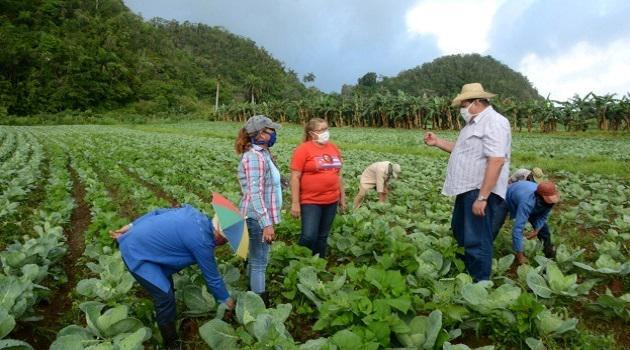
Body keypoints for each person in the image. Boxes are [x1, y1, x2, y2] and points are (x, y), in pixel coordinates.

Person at [110, 205, 235, 349]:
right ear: (220, 236)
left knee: (166, 288)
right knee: (164, 298)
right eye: (225, 241)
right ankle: (171, 344)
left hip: (142, 243)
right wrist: (227, 300)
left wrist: (132, 225)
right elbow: (212, 278)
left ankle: (168, 324)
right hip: (138, 254)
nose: (224, 244)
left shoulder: (193, 213)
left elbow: (157, 212)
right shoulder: (202, 242)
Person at [423, 83, 511, 282]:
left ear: (477, 102)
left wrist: (482, 197)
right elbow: (462, 149)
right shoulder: (473, 124)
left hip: (479, 190)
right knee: (461, 231)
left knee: (477, 239)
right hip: (466, 188)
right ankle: (465, 273)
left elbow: (496, 160)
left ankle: (479, 284)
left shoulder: (494, 122)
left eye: (464, 104)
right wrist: (438, 143)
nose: (462, 109)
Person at [236, 115, 282, 299]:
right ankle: (259, 305)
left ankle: (250, 294)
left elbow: (268, 183)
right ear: (261, 134)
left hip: (259, 215)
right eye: (271, 130)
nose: (274, 134)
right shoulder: (254, 157)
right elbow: (255, 193)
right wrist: (266, 224)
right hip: (257, 217)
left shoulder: (263, 154)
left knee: (256, 257)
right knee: (260, 262)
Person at [290, 118, 346, 258]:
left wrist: (342, 198)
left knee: (322, 236)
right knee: (309, 235)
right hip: (310, 200)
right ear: (312, 133)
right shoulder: (303, 149)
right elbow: (295, 177)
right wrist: (295, 203)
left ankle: (318, 263)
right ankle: (300, 260)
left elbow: (339, 176)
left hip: (331, 199)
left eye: (326, 129)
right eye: (321, 130)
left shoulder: (333, 148)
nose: (325, 132)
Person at [504, 180, 559, 264]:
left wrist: (536, 230)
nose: (551, 203)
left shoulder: (549, 202)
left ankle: (549, 256)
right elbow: (518, 229)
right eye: (548, 200)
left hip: (532, 199)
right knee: (497, 222)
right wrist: (520, 256)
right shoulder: (527, 203)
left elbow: (543, 216)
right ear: (539, 197)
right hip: (510, 195)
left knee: (544, 232)